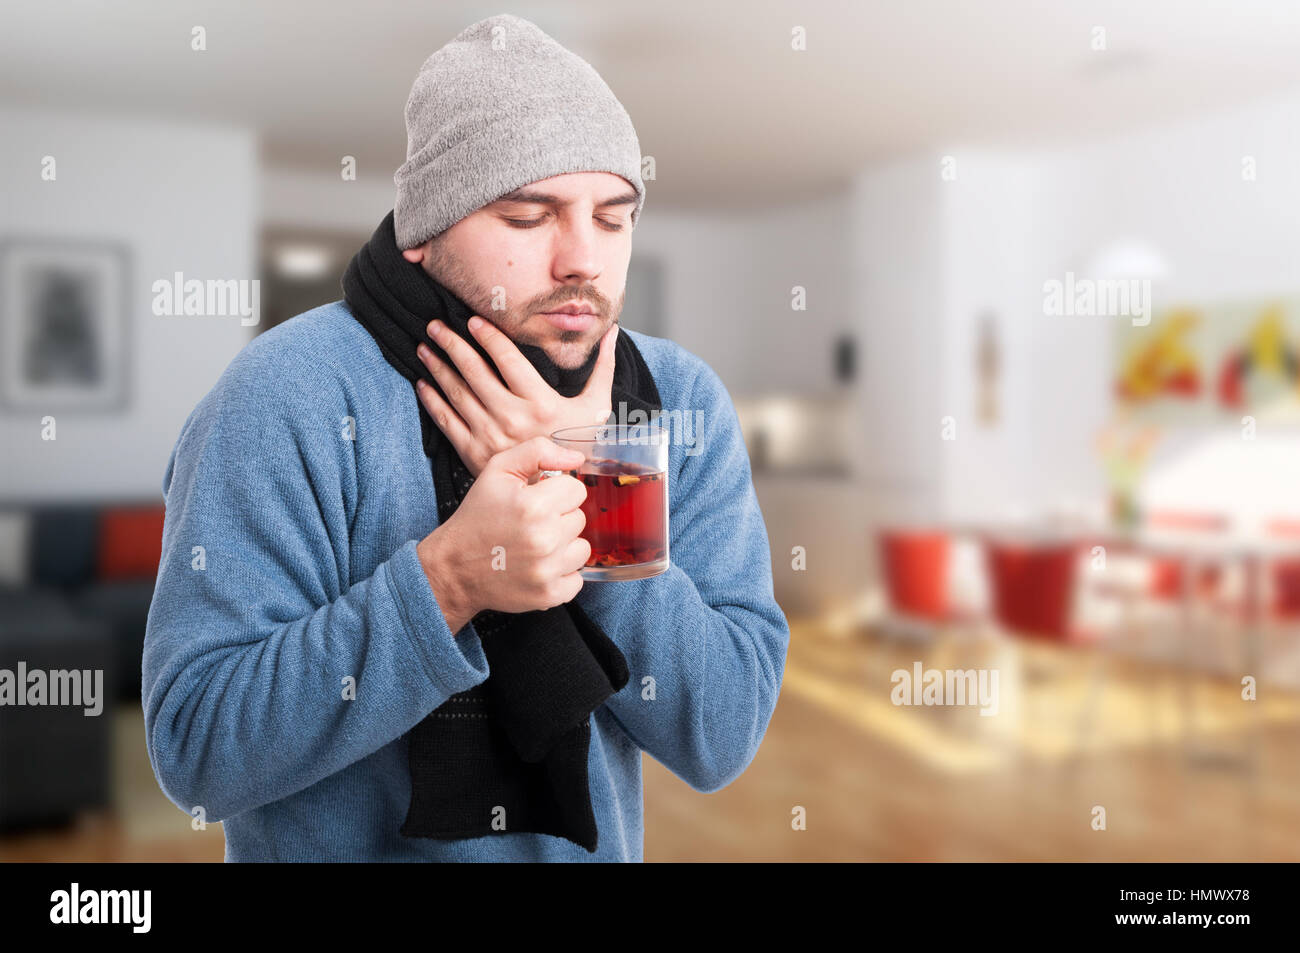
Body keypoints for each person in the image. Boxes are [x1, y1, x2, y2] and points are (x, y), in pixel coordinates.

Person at [143, 13, 789, 862]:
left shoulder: (678, 399)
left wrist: (598, 489)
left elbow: (722, 733)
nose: (582, 260)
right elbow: (196, 748)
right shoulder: (283, 396)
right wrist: (449, 581)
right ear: (424, 234)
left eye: (613, 216)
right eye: (529, 215)